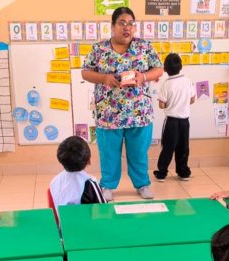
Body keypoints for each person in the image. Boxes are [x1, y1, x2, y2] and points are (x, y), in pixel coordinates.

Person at [82, 7, 164, 201]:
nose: (127, 28)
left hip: (139, 112)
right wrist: (104, 78)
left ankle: (142, 184)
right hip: (108, 113)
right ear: (112, 26)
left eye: (131, 24)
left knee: (139, 153)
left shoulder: (144, 47)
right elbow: (85, 72)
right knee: (109, 154)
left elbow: (159, 69)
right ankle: (108, 186)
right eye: (122, 23)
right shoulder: (99, 49)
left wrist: (143, 76)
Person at [155, 53, 194, 182]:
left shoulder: (166, 84)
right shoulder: (187, 81)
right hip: (185, 121)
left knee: (168, 147)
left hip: (171, 121)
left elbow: (161, 104)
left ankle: (162, 173)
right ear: (180, 66)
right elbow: (192, 99)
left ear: (165, 69)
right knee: (183, 146)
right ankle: (183, 172)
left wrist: (169, 104)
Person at [50, 135, 106, 206]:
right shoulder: (90, 183)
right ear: (89, 161)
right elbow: (102, 208)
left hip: (62, 217)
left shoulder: (55, 181)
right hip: (82, 217)